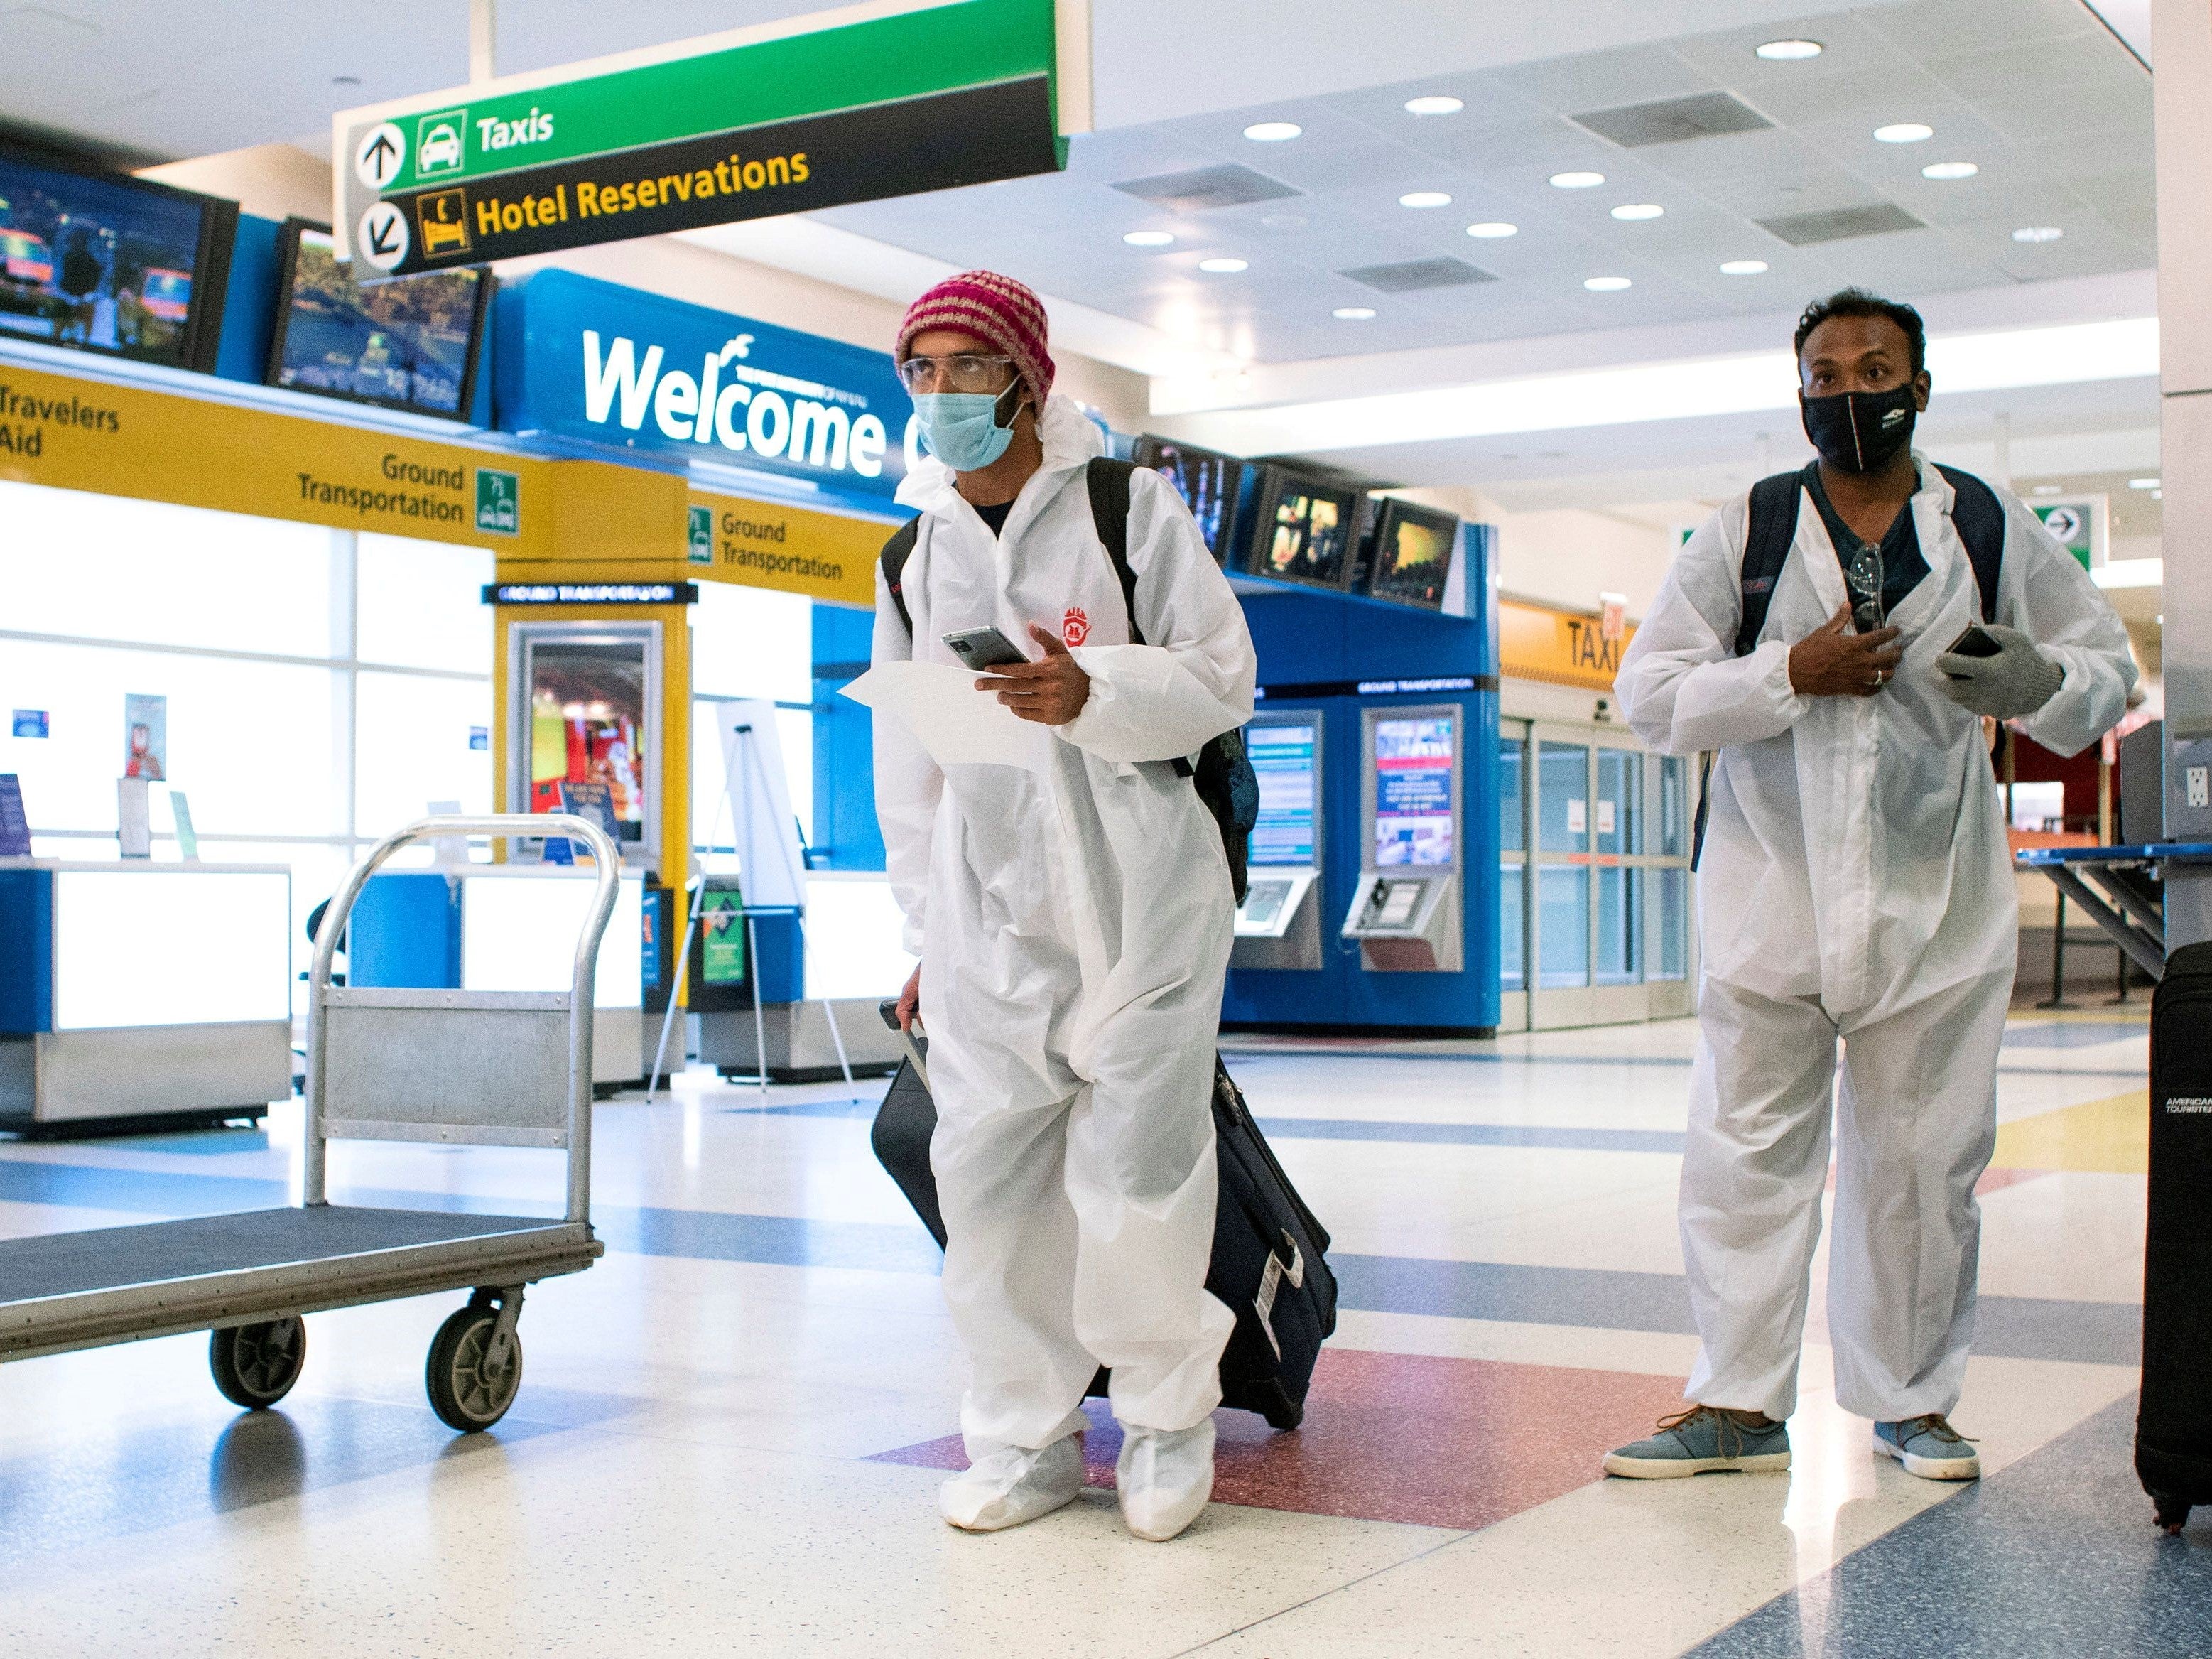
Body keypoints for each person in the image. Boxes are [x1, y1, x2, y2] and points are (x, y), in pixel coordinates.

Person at [1606, 288, 2135, 1483]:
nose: (1848, 392)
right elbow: (1650, 699)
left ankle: (1910, 1403)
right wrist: (1785, 671)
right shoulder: (1740, 529)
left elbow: (2103, 668)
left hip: (1934, 908)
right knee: (1743, 1157)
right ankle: (1735, 1403)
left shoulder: (1985, 526)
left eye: (1873, 368)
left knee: (1924, 1163)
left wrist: (2036, 679)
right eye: (1825, 373)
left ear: (1920, 388)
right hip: (1767, 897)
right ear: (1798, 393)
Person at [871, 271, 1255, 1541]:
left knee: (1136, 1169)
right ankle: (1025, 1437)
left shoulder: (1123, 506)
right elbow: (910, 767)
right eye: (918, 372)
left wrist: (1088, 689)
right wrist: (928, 932)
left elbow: (1221, 675)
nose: (940, 396)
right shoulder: (913, 552)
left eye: (963, 369)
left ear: (1025, 381)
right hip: (990, 908)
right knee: (985, 1179)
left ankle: (1161, 1422)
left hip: (1143, 890)